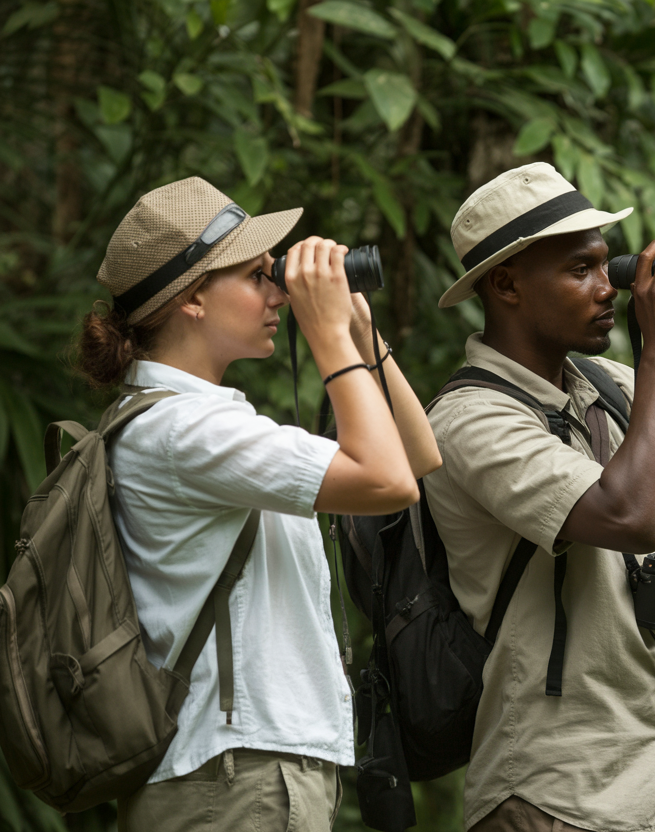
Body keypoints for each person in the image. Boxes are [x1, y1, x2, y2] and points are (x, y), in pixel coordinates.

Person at [423, 162, 655, 832]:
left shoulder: (609, 386)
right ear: (507, 284)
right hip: (554, 797)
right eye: (580, 270)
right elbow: (629, 517)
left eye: (610, 265)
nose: (609, 290)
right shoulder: (469, 420)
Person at [77, 176, 442, 831]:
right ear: (192, 298)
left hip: (250, 769)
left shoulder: (211, 426)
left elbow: (416, 459)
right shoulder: (182, 431)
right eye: (256, 275)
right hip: (231, 776)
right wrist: (326, 330)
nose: (279, 293)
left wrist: (357, 333)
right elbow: (389, 481)